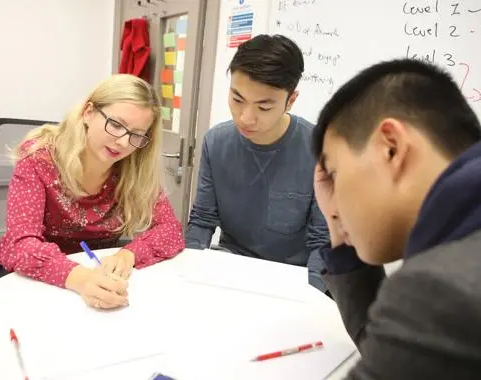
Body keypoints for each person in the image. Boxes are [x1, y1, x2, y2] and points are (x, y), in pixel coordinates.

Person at [312, 58, 481, 378]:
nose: (335, 200)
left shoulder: (439, 289)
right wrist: (336, 219)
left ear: (391, 147)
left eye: (334, 171)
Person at [0, 74, 185, 309]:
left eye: (136, 134)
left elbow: (170, 230)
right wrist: (80, 278)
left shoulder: (134, 168)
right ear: (88, 113)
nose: (123, 143)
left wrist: (128, 255)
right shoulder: (40, 159)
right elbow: (19, 243)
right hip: (44, 282)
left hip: (103, 275)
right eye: (116, 124)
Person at [185, 34, 329, 293]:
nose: (246, 118)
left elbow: (323, 241)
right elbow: (203, 221)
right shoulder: (216, 142)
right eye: (237, 99)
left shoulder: (320, 150)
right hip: (230, 270)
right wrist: (187, 274)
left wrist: (312, 299)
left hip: (291, 281)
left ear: (291, 100)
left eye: (263, 107)